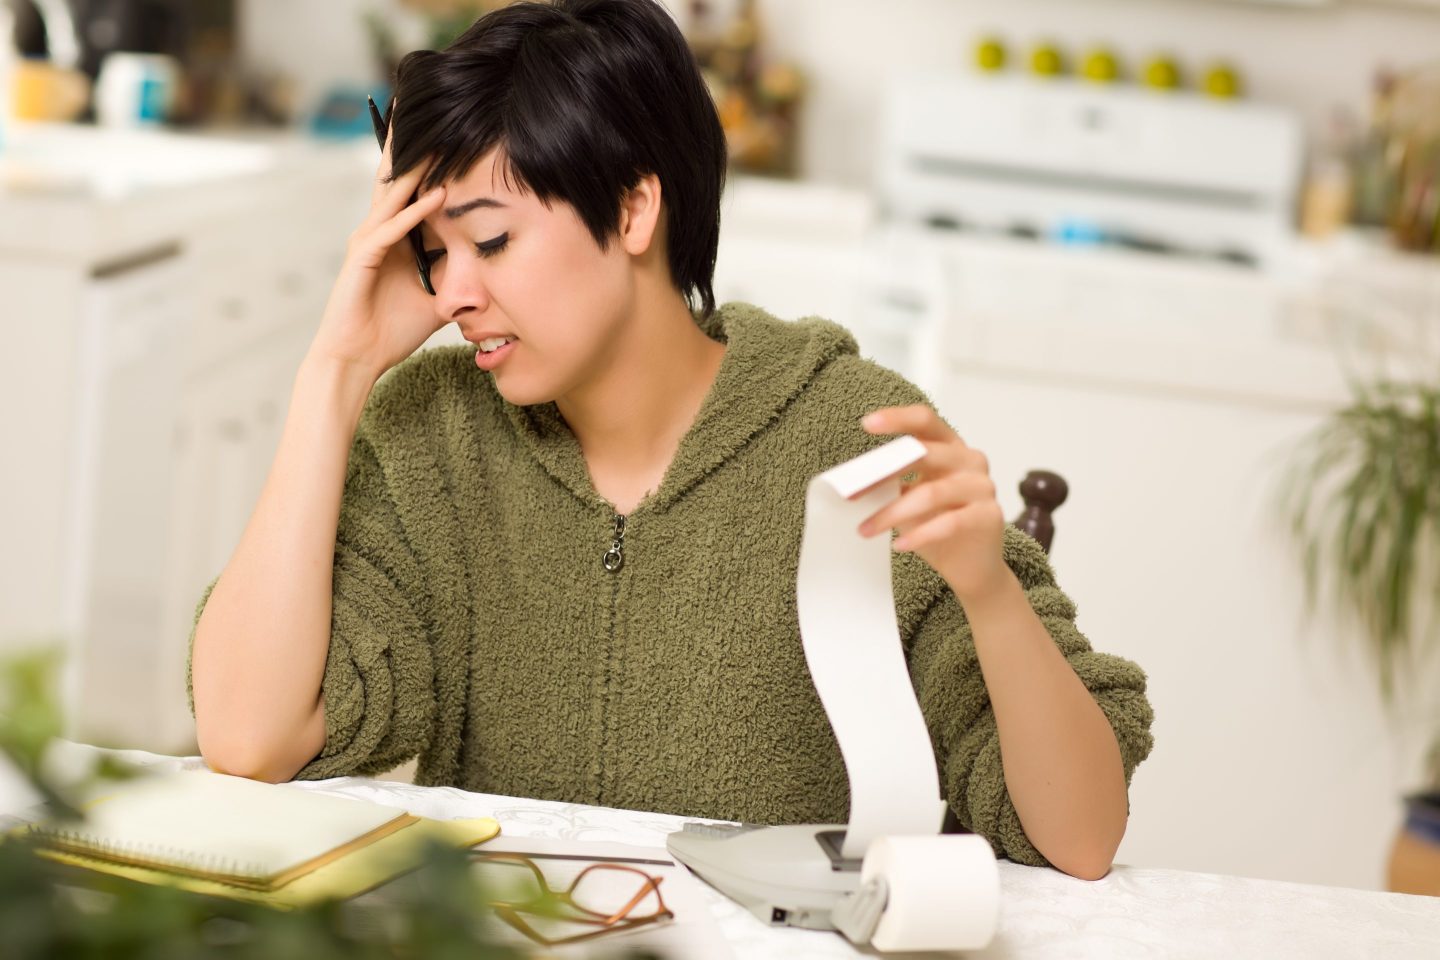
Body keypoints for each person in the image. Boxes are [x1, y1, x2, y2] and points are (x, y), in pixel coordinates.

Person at [187, 0, 1153, 881]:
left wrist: (986, 588)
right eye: (431, 255)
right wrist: (338, 371)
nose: (452, 295)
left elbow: (1078, 838)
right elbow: (247, 736)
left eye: (490, 242)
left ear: (635, 207)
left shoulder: (848, 435)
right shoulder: (432, 434)